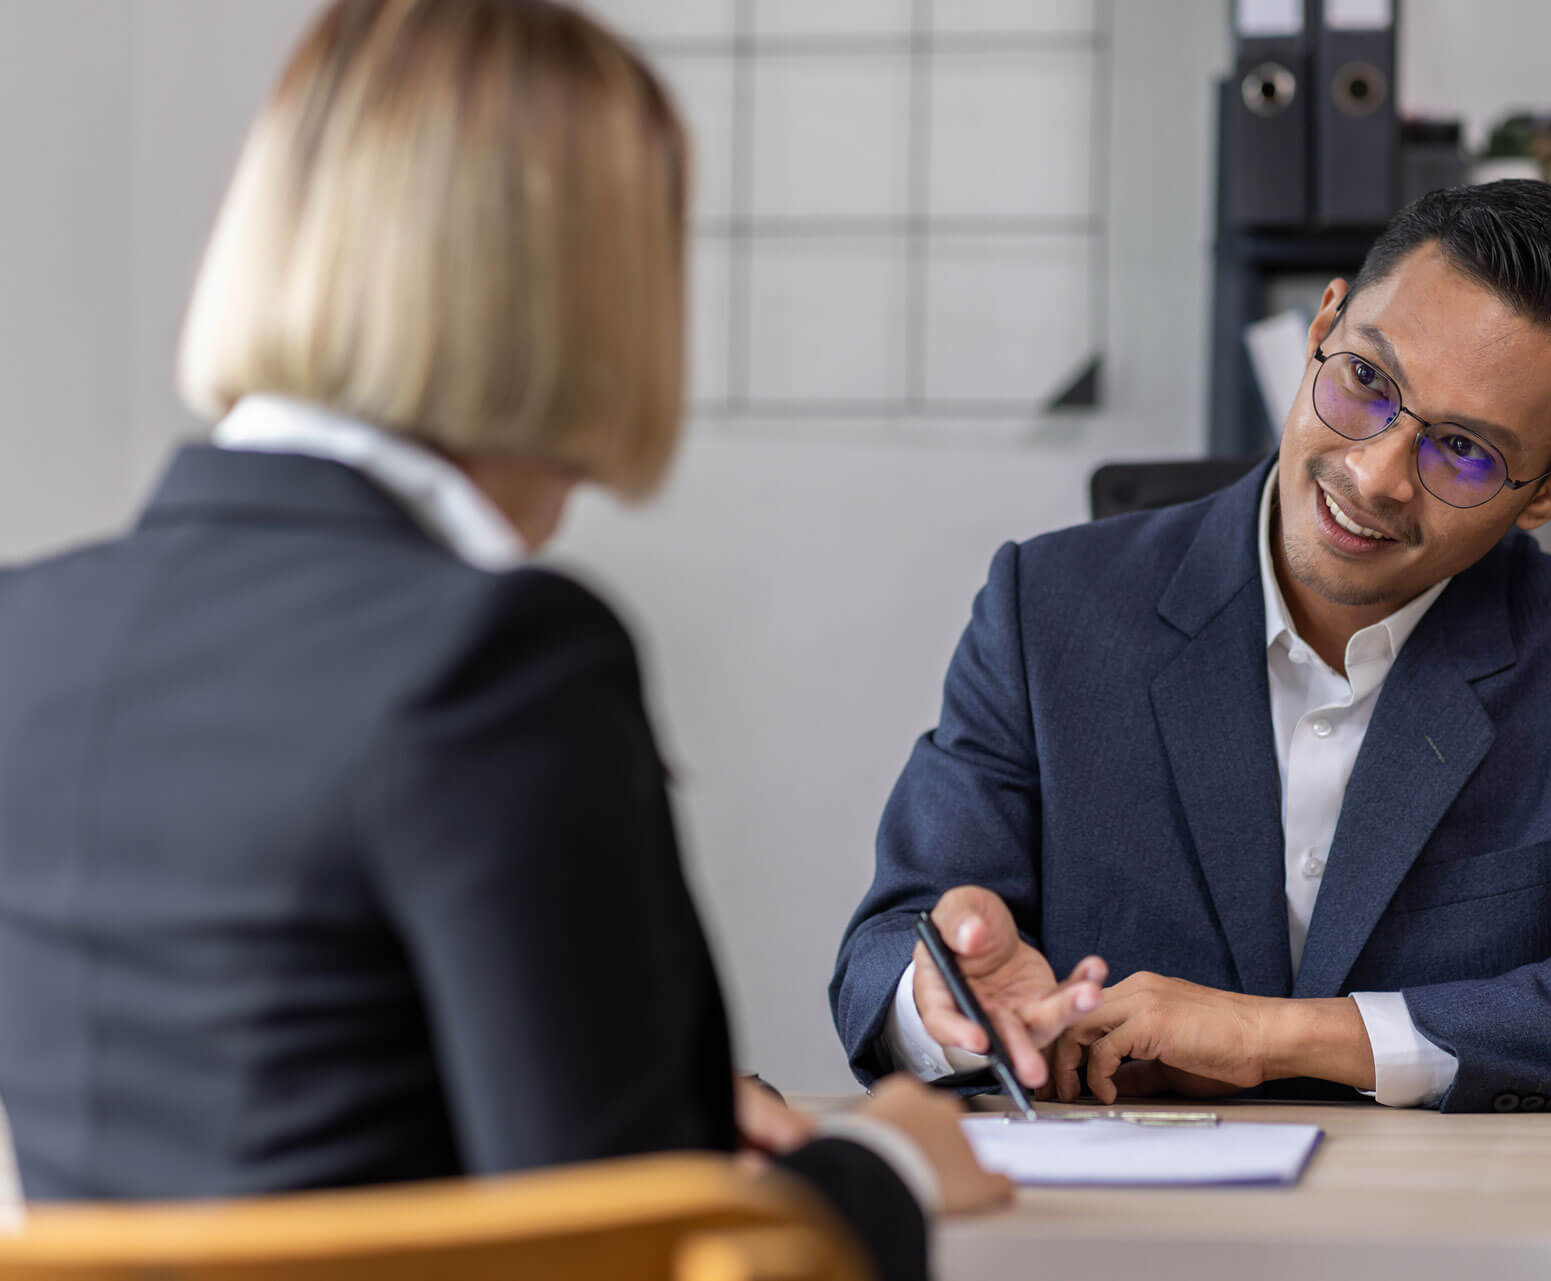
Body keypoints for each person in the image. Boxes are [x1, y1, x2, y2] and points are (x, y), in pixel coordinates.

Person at [0, 3, 1004, 1278]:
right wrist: (895, 1161)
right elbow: (627, 1247)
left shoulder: (25, 630)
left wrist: (672, 1115)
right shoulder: (495, 659)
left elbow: (289, 1121)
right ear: (587, 290)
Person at [832, 181, 1551, 1113]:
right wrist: (952, 1002)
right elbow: (883, 955)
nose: (1373, 475)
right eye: (1367, 380)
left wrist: (1279, 1036)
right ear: (1325, 322)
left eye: (1464, 451)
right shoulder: (1046, 609)